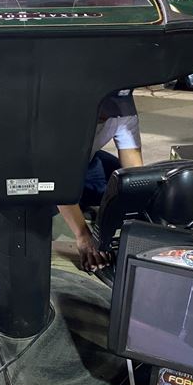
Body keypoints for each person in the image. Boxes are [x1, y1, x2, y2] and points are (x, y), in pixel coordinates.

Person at [58, 89, 143, 273]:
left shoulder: (123, 109)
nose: (111, 116)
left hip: (84, 161)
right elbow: (54, 178)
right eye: (105, 112)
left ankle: (77, 203)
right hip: (39, 167)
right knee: (41, 204)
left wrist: (141, 228)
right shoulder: (62, 113)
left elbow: (135, 175)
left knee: (120, 184)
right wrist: (83, 235)